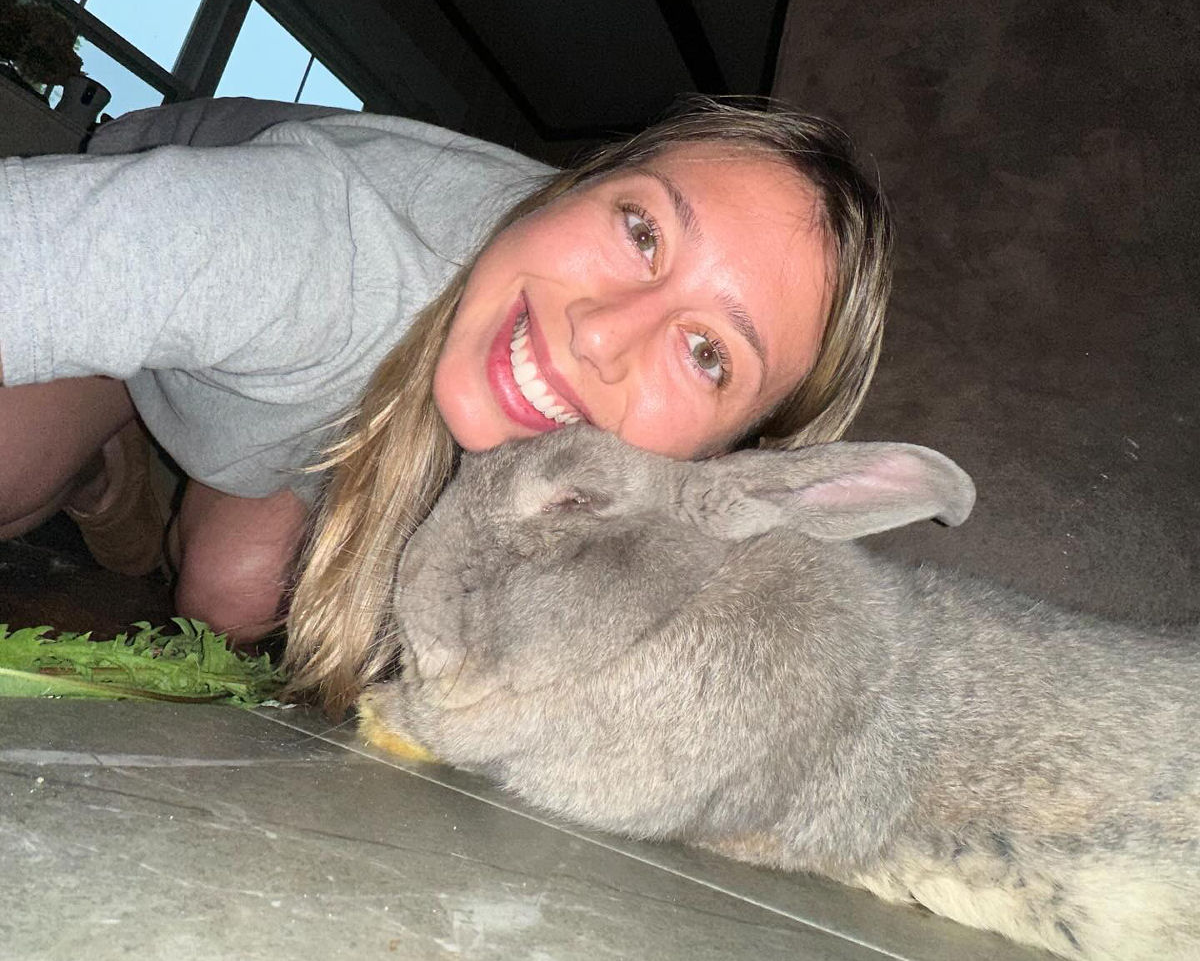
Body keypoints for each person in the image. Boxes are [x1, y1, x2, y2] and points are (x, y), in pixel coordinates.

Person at [0, 95, 893, 715]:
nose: (600, 334)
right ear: (575, 186)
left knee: (231, 595)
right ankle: (108, 408)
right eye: (642, 229)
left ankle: (116, 482)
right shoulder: (319, 244)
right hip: (182, 229)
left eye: (708, 354)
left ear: (723, 456)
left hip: (326, 381)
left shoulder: (644, 481)